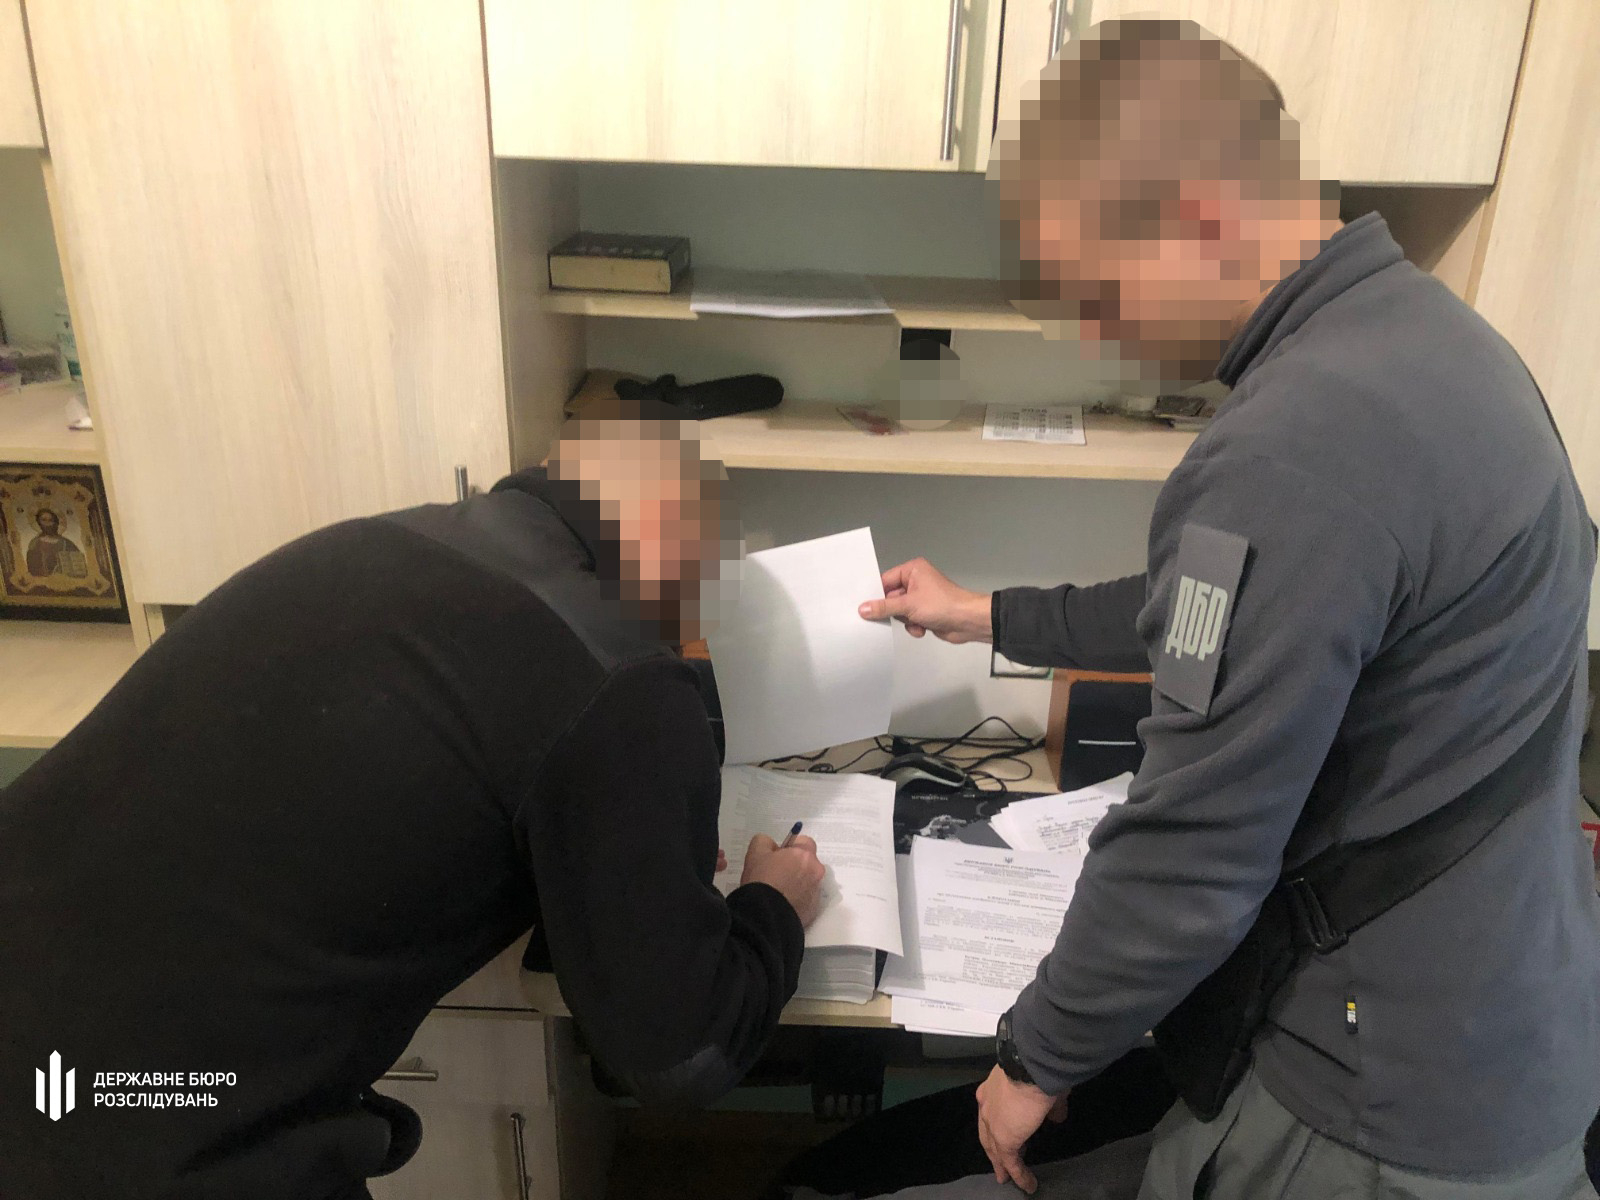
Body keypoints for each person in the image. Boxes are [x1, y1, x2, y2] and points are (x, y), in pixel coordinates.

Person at [857, 20, 1600, 1200]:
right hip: (1500, 1038)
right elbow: (1213, 614)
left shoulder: (1298, 442)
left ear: (1202, 216)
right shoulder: (1428, 343)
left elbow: (1193, 843)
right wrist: (987, 614)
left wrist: (1035, 1057)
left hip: (1378, 1112)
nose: (1096, 331)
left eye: (1097, 289)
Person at [0, 397, 826, 1200]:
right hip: (150, 1126)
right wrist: (772, 905)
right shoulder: (617, 666)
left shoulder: (379, 541)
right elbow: (681, 1055)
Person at [25, 506, 84, 577]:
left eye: (50, 520)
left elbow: (78, 561)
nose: (47, 523)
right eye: (43, 520)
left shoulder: (66, 542)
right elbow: (32, 564)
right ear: (38, 523)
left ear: (55, 523)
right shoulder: (35, 542)